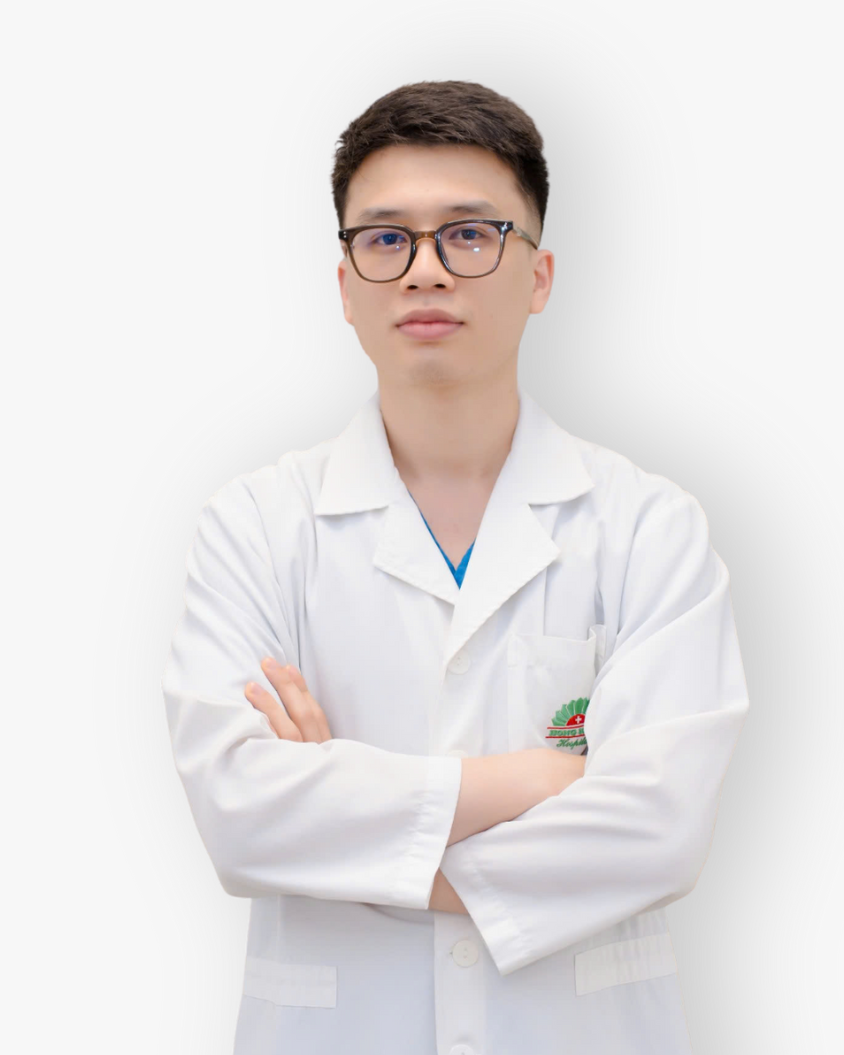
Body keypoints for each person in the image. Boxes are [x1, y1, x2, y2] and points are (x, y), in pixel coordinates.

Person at [161, 79, 750, 1055]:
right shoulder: (256, 526)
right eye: (386, 238)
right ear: (345, 285)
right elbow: (242, 815)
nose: (425, 270)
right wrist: (543, 777)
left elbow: (660, 826)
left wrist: (344, 824)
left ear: (540, 275)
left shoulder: (649, 527)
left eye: (470, 234)